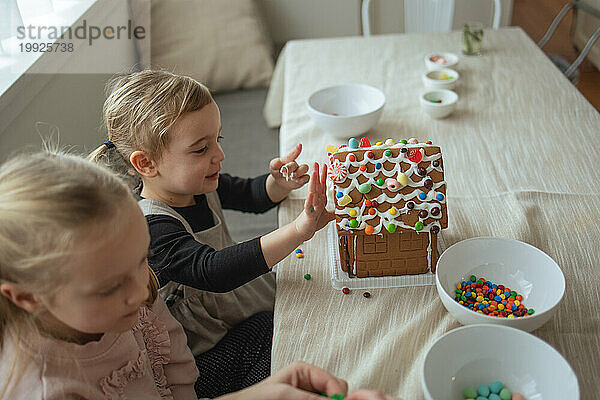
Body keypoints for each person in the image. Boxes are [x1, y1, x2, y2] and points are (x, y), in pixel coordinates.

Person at [0, 151, 397, 400]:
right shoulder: (50, 390)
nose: (142, 292)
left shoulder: (138, 293)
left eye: (143, 261)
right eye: (110, 287)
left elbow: (176, 361)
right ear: (28, 297)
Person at [88, 70, 334, 398]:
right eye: (201, 149)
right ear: (146, 164)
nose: (219, 155)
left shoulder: (197, 183)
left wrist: (280, 183)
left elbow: (251, 194)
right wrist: (300, 230)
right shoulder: (152, 229)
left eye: (219, 139)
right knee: (273, 336)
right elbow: (214, 271)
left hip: (233, 310)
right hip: (204, 355)